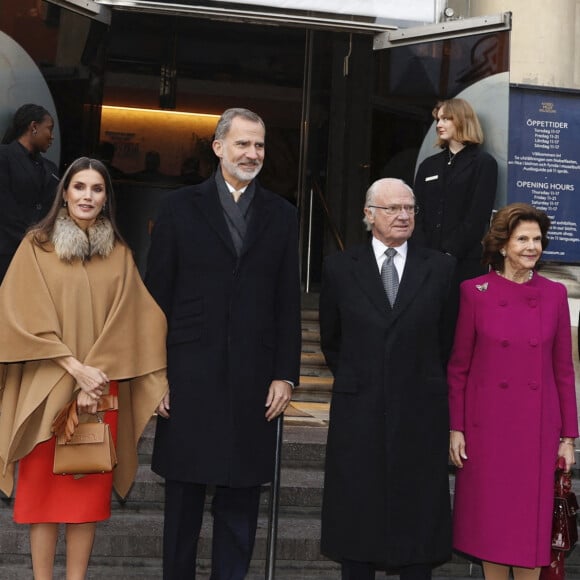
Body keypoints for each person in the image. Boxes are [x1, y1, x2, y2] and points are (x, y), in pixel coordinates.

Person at [145, 107, 301, 579]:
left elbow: (287, 301)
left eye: (259, 145)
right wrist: (156, 375)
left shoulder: (282, 213)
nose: (252, 153)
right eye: (242, 144)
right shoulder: (178, 208)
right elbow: (156, 297)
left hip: (254, 377)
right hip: (190, 371)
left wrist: (286, 373)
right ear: (218, 148)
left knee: (240, 504)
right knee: (183, 505)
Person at [0, 157, 168, 580]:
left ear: (106, 197)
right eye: (79, 188)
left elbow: (137, 320)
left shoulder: (120, 254)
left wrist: (99, 374)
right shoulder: (36, 246)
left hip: (100, 391)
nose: (87, 196)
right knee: (42, 499)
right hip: (47, 387)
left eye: (96, 189)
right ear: (65, 193)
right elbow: (18, 314)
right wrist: (75, 368)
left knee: (85, 500)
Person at [319, 178, 455, 579]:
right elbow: (332, 339)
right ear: (368, 215)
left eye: (410, 208)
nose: (403, 216)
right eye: (393, 208)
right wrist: (363, 378)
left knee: (417, 514)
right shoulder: (340, 267)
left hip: (420, 410)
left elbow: (446, 339)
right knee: (357, 512)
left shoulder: (440, 267)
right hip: (358, 408)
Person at [448, 203, 578, 580]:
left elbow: (563, 371)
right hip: (487, 431)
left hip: (536, 431)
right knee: (493, 528)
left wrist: (568, 436)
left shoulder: (554, 294)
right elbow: (459, 368)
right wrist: (457, 428)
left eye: (537, 239)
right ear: (503, 245)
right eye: (523, 238)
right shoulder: (475, 292)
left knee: (527, 532)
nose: (531, 246)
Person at [413, 98, 498, 282]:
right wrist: (422, 249)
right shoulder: (429, 165)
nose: (439, 124)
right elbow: (416, 211)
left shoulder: (483, 163)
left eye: (446, 119)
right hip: (426, 259)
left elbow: (477, 216)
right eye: (438, 120)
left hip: (464, 261)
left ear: (461, 120)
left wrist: (450, 251)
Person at [0, 103, 59, 282]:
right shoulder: (4, 157)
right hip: (6, 251)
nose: (52, 136)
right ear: (34, 127)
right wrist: (28, 240)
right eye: (49, 129)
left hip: (40, 254)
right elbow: (4, 206)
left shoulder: (50, 168)